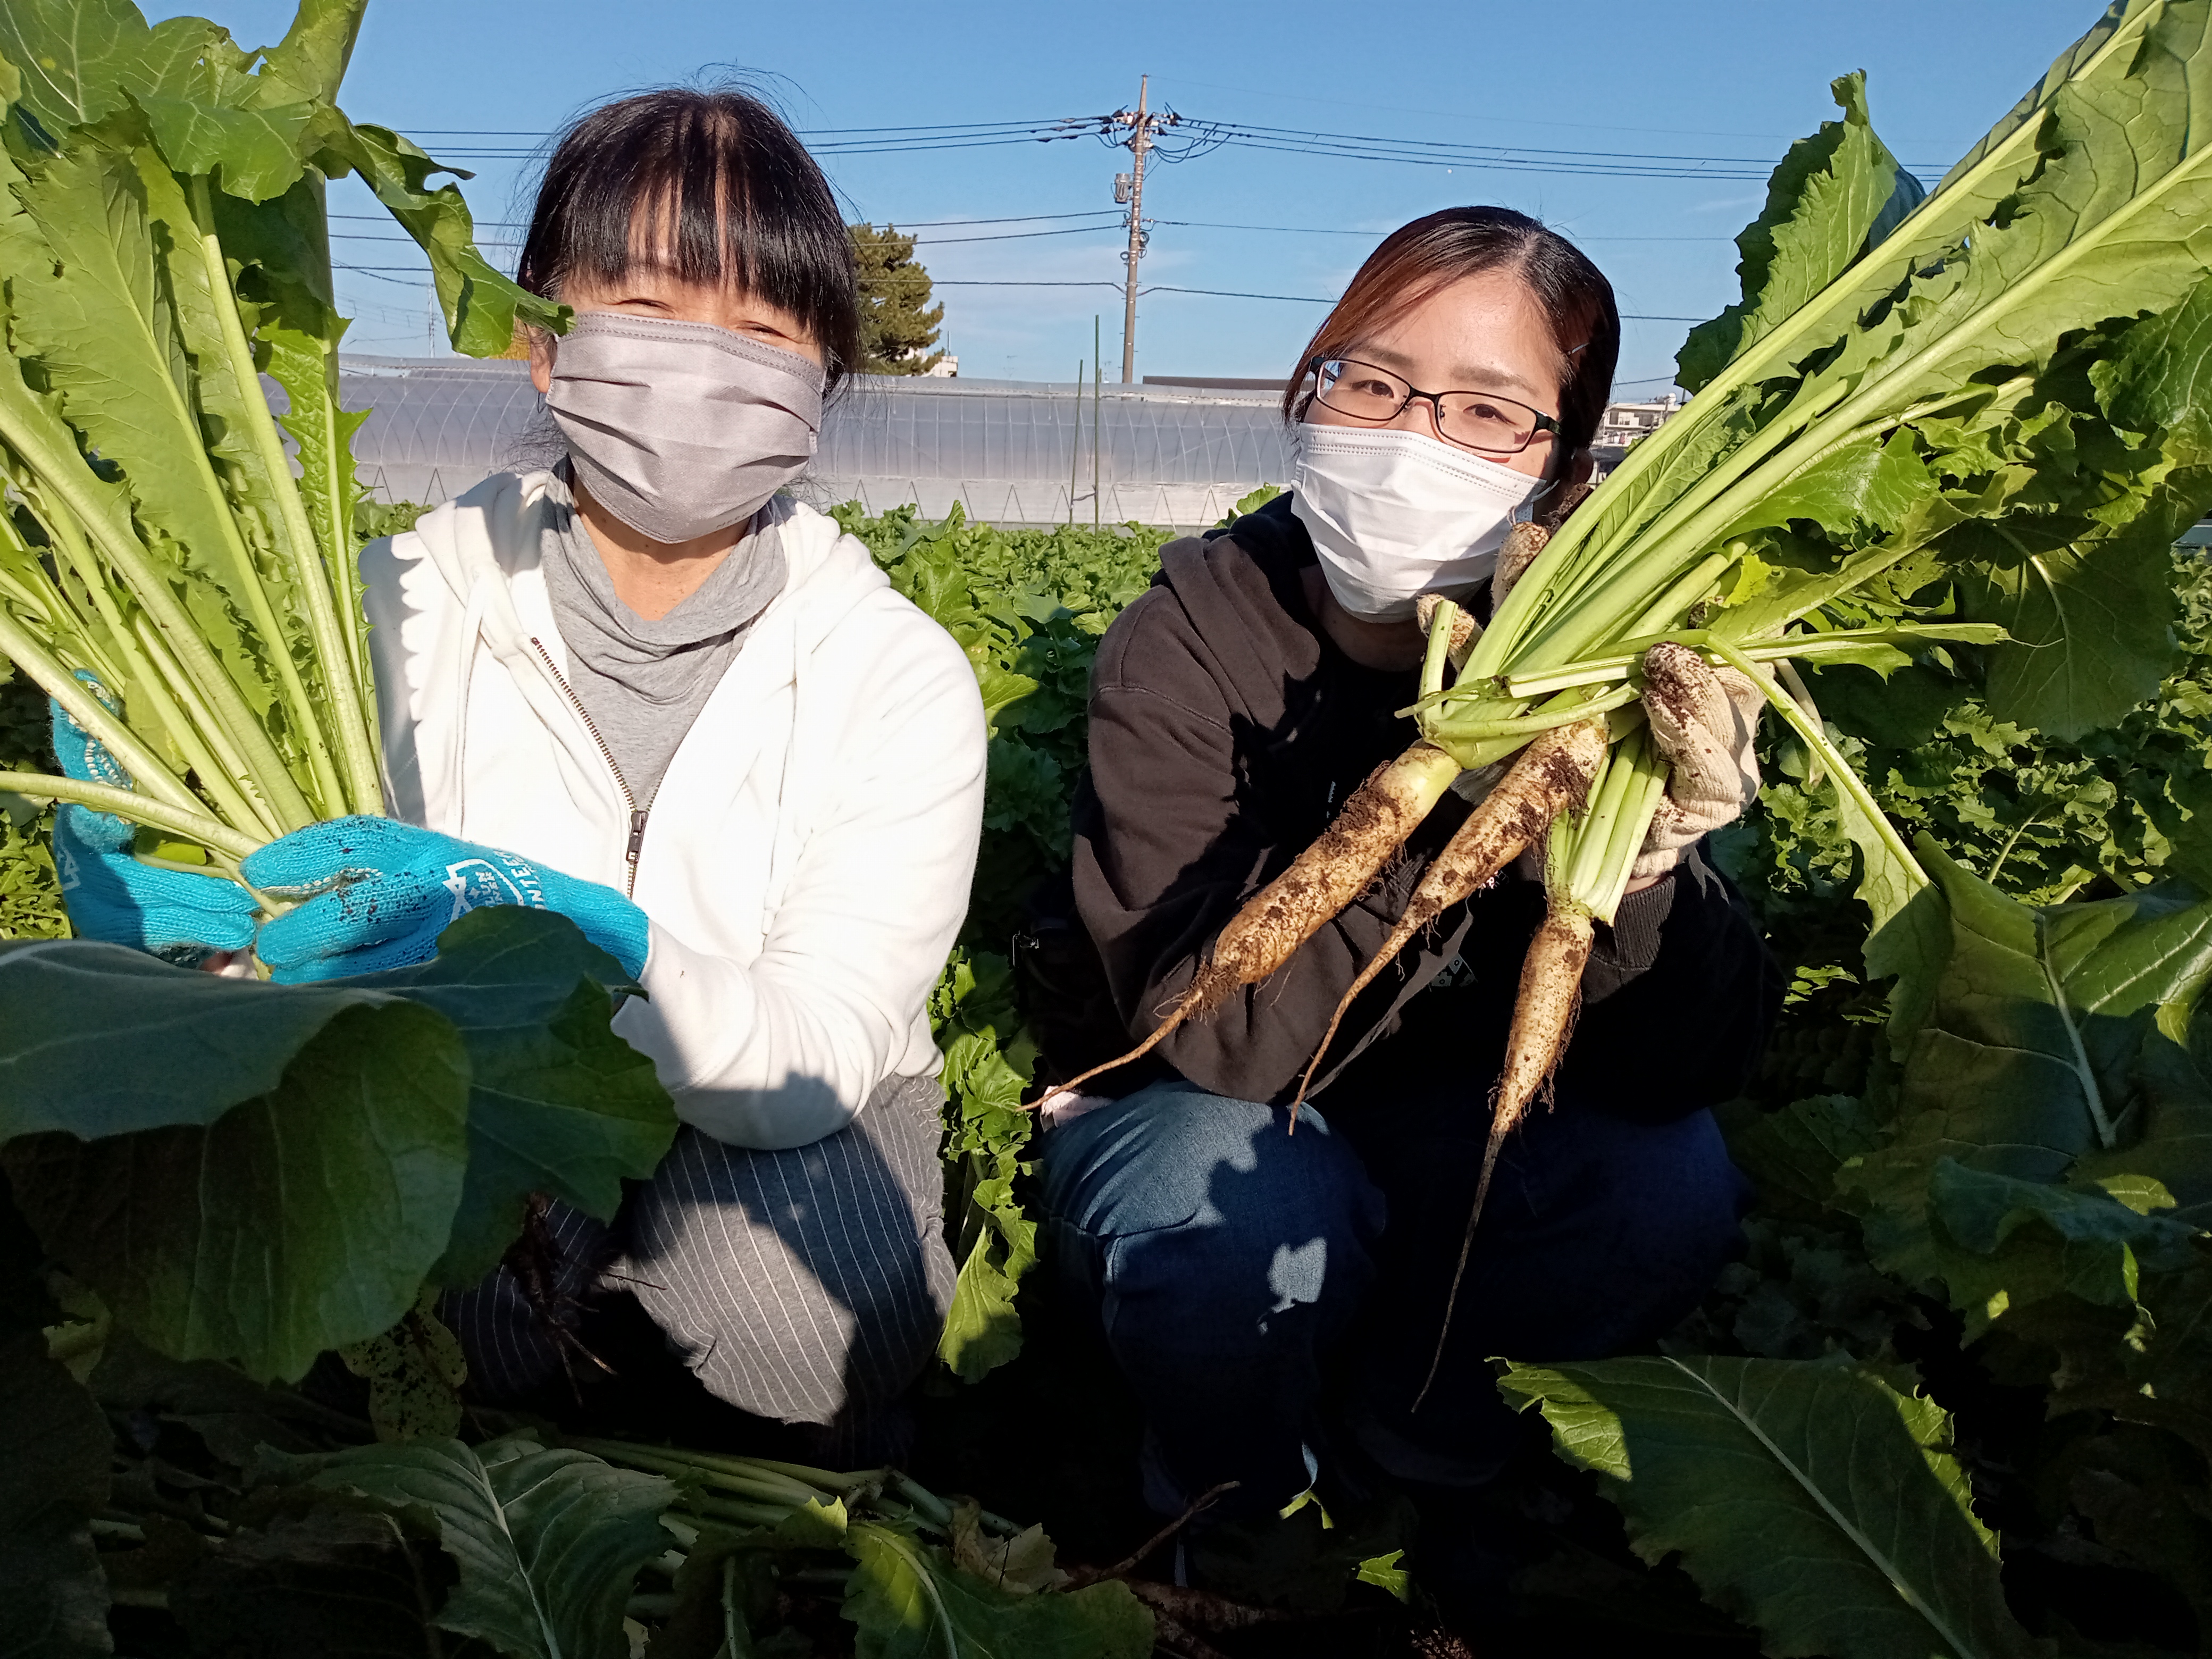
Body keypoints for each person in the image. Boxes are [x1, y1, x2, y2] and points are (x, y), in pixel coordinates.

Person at [46, 88, 987, 1455]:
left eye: (764, 333)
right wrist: (185, 915)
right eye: (651, 313)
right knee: (449, 1300)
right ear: (540, 341)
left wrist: (576, 942)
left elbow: (816, 1053)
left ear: (822, 382)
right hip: (472, 1071)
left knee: (796, 1322)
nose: (704, 369)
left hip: (782, 1112)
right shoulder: (379, 614)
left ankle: (748, 1441)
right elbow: (292, 933)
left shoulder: (893, 672)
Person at [1032, 207, 1780, 1600]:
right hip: (1216, 1104)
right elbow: (1213, 1042)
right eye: (1371, 382)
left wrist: (1649, 864)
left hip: (1453, 1122)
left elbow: (1693, 1067)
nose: (1411, 435)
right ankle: (1226, 1499)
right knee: (1215, 1207)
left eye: (1488, 409)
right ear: (1309, 392)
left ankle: (1412, 1455)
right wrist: (1449, 786)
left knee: (1661, 1187)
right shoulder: (1190, 632)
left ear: (1563, 459)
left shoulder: (1619, 679)